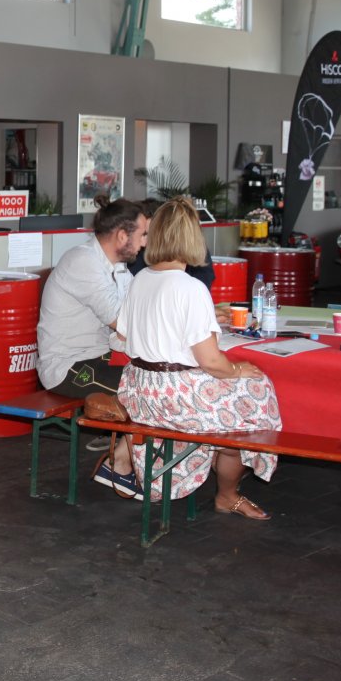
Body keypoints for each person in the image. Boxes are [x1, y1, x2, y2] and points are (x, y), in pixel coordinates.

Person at [99, 197, 281, 520]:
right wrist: (238, 370)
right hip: (175, 400)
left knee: (237, 404)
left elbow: (124, 336)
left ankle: (210, 456)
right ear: (193, 238)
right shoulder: (192, 288)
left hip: (141, 394)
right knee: (256, 400)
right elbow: (211, 361)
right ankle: (227, 491)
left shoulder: (140, 280)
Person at [36, 197, 148, 403]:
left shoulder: (119, 267)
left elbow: (140, 306)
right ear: (122, 236)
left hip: (100, 356)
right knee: (148, 389)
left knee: (159, 378)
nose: (144, 243)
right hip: (68, 366)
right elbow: (122, 322)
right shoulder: (83, 261)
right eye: (142, 235)